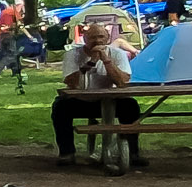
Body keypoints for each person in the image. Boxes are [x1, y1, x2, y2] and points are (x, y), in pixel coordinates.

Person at [52, 13, 142, 169]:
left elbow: (122, 82)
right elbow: (71, 83)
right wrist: (92, 61)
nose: (97, 41)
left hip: (112, 100)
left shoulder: (118, 54)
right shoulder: (72, 55)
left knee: (131, 107)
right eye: (93, 37)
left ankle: (132, 152)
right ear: (85, 39)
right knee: (60, 108)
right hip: (81, 101)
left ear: (107, 38)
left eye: (101, 37)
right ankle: (67, 153)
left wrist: (106, 60)